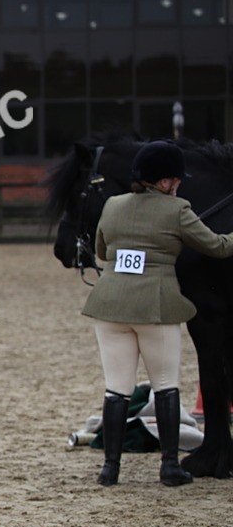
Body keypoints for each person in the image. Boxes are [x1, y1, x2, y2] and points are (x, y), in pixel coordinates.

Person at [83, 140, 233, 487]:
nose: (179, 183)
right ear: (164, 182)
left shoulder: (113, 205)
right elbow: (217, 246)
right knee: (165, 386)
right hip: (154, 305)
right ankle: (169, 467)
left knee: (116, 389)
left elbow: (102, 249)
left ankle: (110, 469)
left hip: (109, 307)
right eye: (176, 179)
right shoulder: (177, 209)